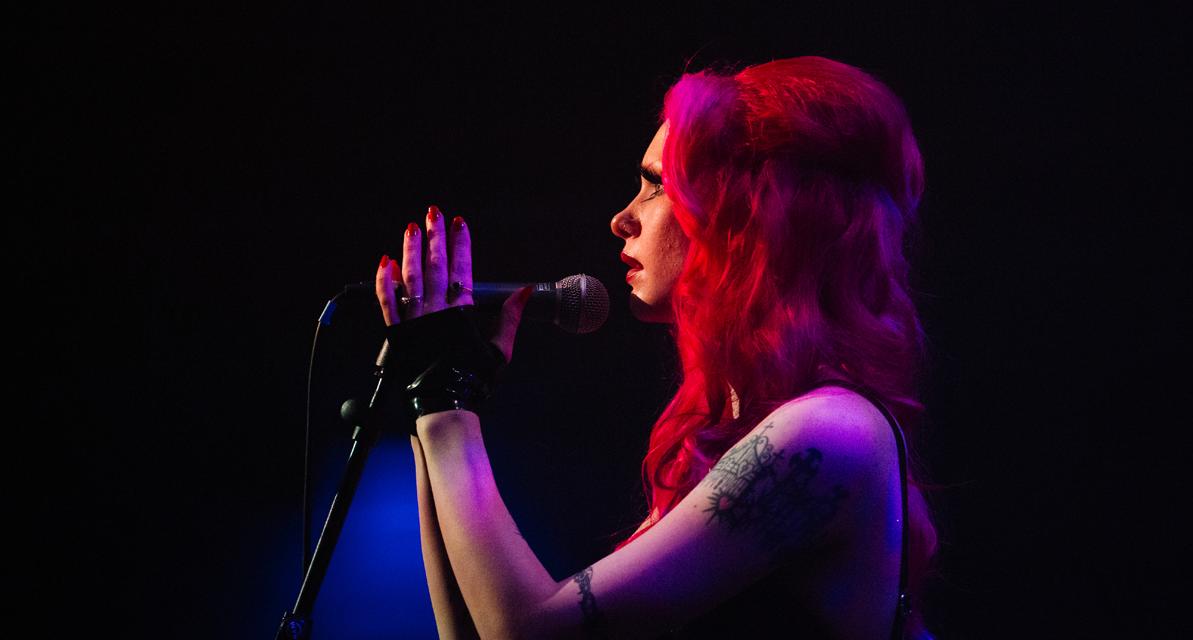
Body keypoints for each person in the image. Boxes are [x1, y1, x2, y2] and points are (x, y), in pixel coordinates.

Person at [374, 55, 938, 639]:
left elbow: (529, 632)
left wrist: (449, 407)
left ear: (749, 215)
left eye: (655, 185)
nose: (622, 218)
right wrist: (431, 402)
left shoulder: (831, 432)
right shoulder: (726, 444)